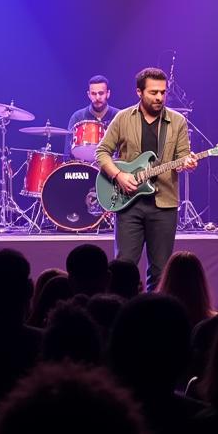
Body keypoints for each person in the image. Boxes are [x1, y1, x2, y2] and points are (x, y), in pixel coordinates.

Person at [96, 67, 198, 291]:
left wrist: (187, 164)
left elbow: (182, 158)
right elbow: (102, 152)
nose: (160, 97)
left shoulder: (177, 121)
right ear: (139, 92)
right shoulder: (123, 118)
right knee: (123, 269)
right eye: (153, 92)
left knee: (161, 272)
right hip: (128, 204)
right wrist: (119, 175)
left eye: (163, 92)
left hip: (164, 205)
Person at [65, 74, 119, 160]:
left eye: (101, 93)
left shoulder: (119, 116)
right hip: (84, 169)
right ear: (88, 94)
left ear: (108, 93)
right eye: (93, 94)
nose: (97, 97)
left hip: (113, 168)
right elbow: (67, 154)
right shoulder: (77, 117)